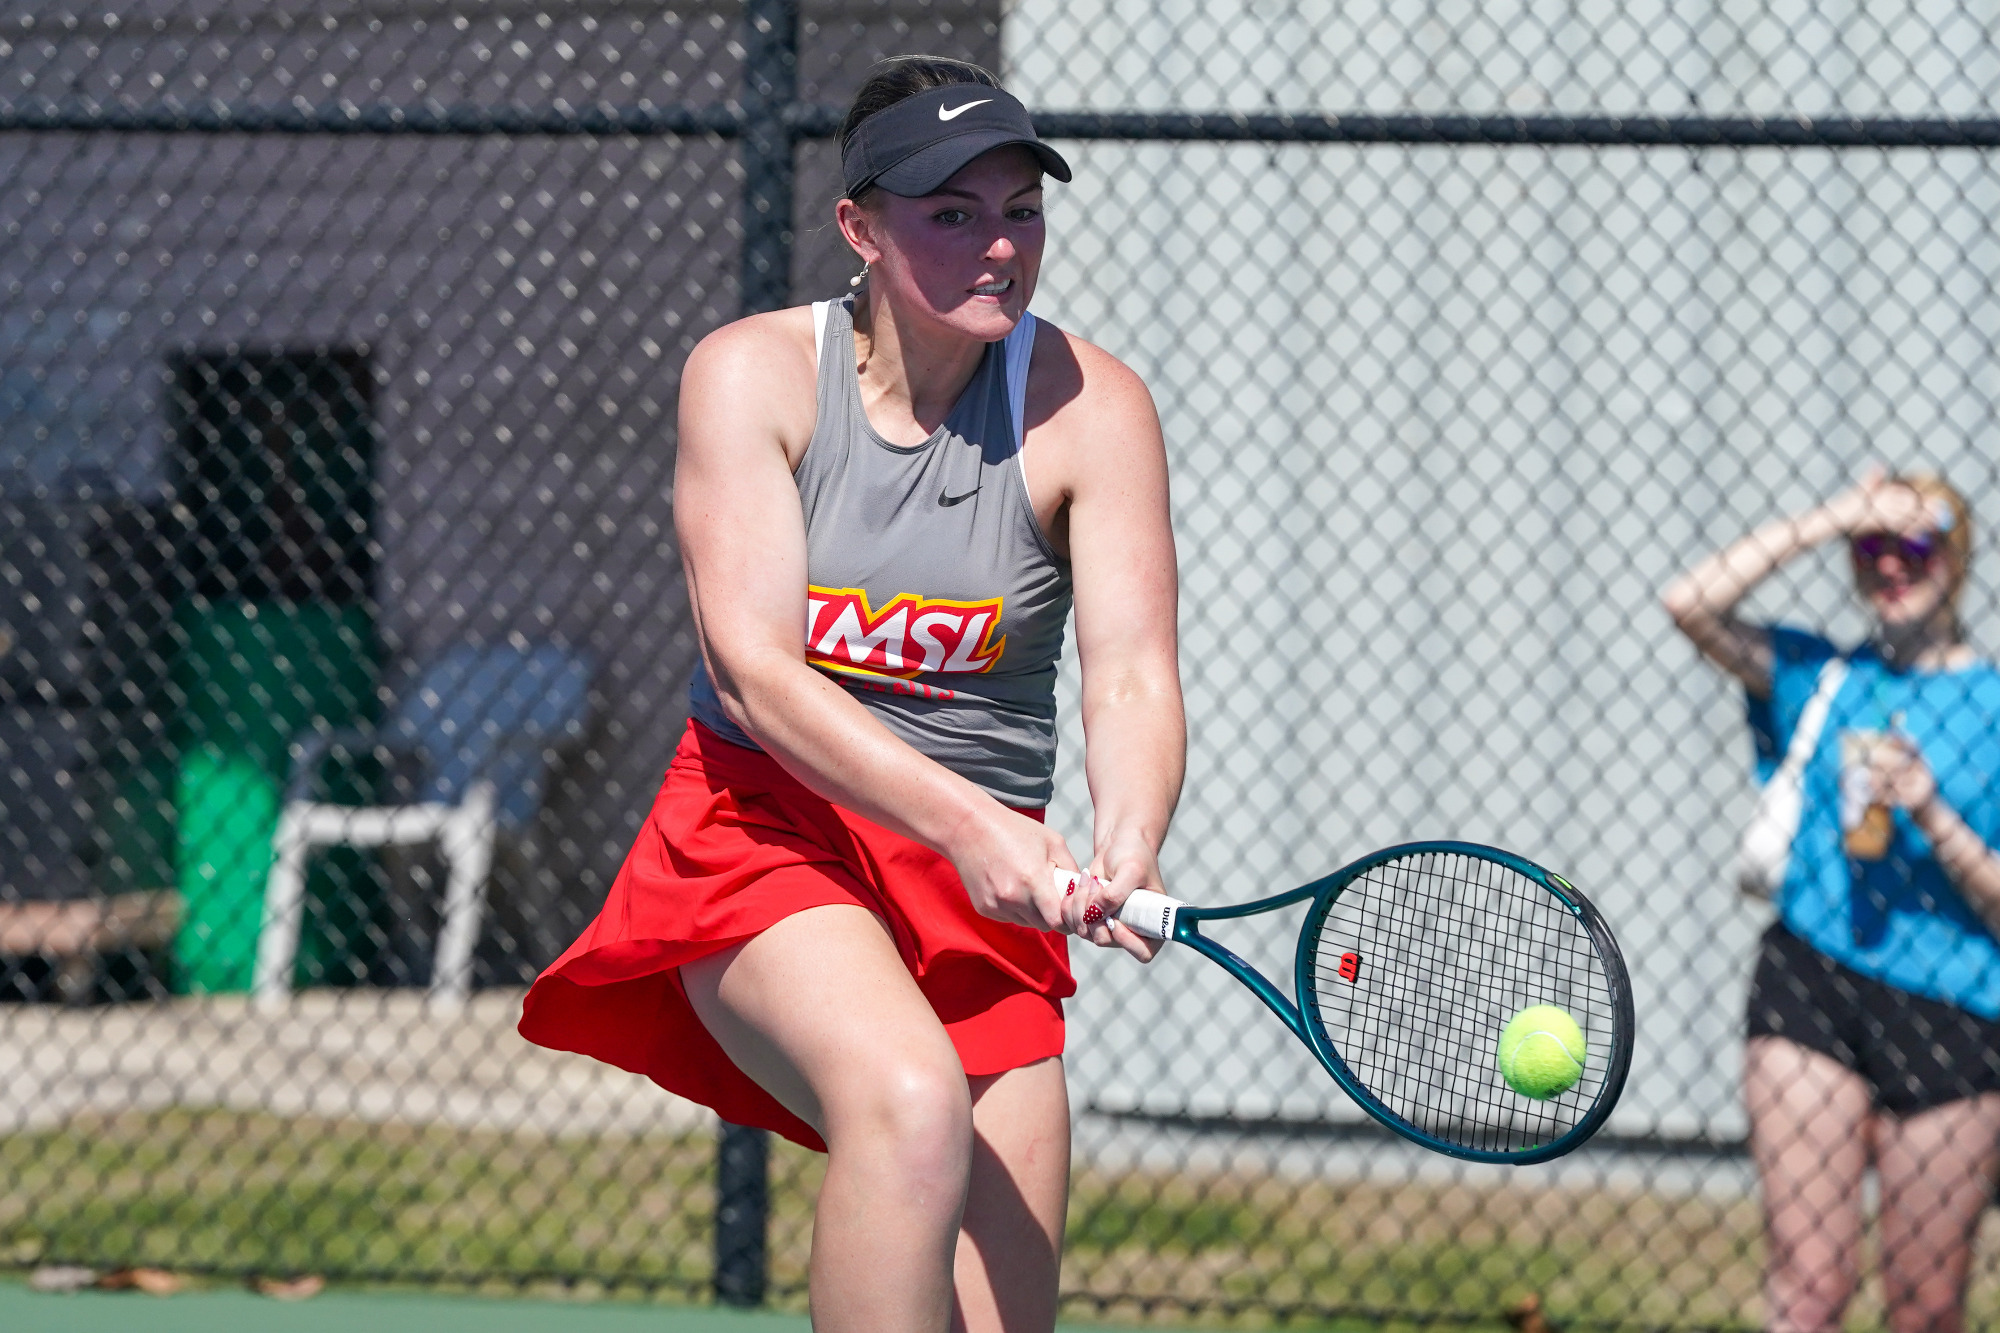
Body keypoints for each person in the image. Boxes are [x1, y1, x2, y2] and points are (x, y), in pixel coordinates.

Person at [518, 56, 1184, 1333]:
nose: (997, 245)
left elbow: (1135, 671)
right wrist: (972, 827)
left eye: (1019, 210)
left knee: (1006, 1308)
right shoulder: (749, 375)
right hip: (765, 830)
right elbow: (753, 672)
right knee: (910, 1099)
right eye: (950, 213)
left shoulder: (1094, 409)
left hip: (979, 877)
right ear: (858, 229)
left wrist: (1128, 838)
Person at [1662, 469, 2000, 1333]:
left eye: (1913, 547)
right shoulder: (1821, 677)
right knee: (1808, 1289)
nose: (1890, 565)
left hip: (1954, 1008)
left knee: (1923, 1306)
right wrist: (1834, 516)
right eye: (1871, 550)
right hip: (1813, 978)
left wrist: (1931, 808)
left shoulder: (1993, 704)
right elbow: (1689, 602)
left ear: (1956, 561)